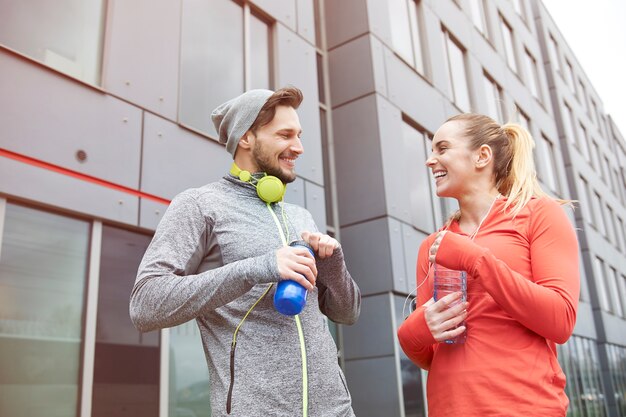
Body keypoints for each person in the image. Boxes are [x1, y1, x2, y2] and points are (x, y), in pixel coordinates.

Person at [130, 86, 360, 417]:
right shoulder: (200, 206)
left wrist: (334, 266)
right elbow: (145, 305)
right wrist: (258, 267)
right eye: (285, 135)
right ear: (246, 137)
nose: (298, 147)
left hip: (337, 411)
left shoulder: (299, 216)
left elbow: (347, 314)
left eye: (299, 135)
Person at [397, 113, 580, 416]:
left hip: (526, 407)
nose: (430, 161)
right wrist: (412, 331)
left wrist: (474, 258)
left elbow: (560, 320)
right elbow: (430, 354)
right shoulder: (432, 246)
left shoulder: (539, 215)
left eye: (442, 149)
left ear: (482, 156)